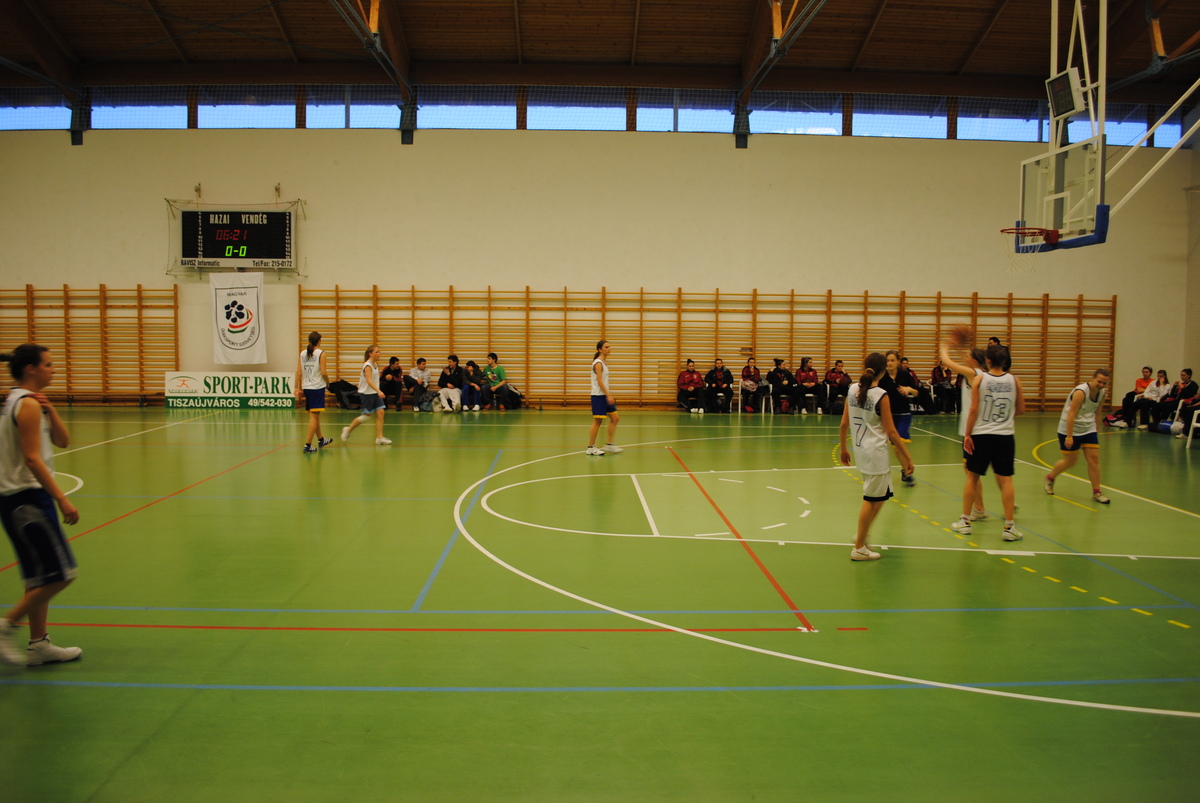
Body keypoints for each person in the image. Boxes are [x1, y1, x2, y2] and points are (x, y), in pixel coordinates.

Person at [0, 344, 82, 668]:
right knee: (61, 574)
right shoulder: (26, 405)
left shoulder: (26, 401)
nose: (54, 369)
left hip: (17, 500)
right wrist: (61, 497)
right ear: (31, 369)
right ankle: (6, 626)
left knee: (38, 576)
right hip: (27, 499)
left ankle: (39, 645)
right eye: (48, 364)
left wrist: (51, 409)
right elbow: (33, 459)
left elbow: (63, 441)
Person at [838, 352, 915, 561]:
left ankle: (862, 535)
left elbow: (844, 424)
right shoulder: (881, 395)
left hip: (861, 451)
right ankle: (859, 547)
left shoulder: (852, 388)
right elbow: (891, 432)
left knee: (881, 496)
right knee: (870, 500)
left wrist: (844, 449)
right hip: (875, 454)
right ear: (883, 372)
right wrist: (908, 458)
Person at [949, 344, 1025, 541]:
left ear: (988, 361)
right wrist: (1005, 420)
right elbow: (1021, 409)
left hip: (981, 434)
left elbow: (973, 410)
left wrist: (967, 435)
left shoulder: (980, 380)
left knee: (972, 477)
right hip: (1005, 435)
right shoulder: (1014, 380)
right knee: (1006, 480)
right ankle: (1009, 527)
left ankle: (965, 522)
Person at [938, 340, 990, 522]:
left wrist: (945, 346)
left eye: (968, 356)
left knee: (971, 472)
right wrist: (960, 346)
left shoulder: (973, 373)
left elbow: (948, 362)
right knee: (974, 472)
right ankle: (983, 506)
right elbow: (966, 359)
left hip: (973, 431)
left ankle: (979, 508)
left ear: (974, 361)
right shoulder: (984, 374)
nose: (965, 358)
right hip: (982, 429)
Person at [1044, 368, 1111, 504]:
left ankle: (1096, 492)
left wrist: (1096, 431)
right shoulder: (1081, 392)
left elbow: (1098, 412)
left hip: (1088, 428)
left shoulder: (1102, 393)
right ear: (1093, 378)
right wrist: (1069, 436)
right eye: (1099, 382)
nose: (1101, 385)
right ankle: (1050, 477)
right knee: (1070, 461)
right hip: (1070, 428)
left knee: (1094, 459)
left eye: (1104, 383)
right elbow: (1071, 414)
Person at [877, 350, 918, 485]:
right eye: (888, 360)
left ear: (898, 362)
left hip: (904, 415)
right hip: (888, 415)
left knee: (899, 442)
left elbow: (917, 392)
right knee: (894, 446)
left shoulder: (905, 375)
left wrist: (909, 389)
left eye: (893, 360)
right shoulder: (882, 377)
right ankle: (904, 469)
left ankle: (906, 471)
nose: (890, 363)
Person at [341, 345, 391, 445]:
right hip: (367, 394)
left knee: (381, 413)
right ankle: (348, 429)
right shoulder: (367, 365)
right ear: (370, 353)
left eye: (379, 352)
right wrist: (379, 391)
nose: (379, 354)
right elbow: (369, 380)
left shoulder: (375, 364)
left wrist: (377, 391)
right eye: (376, 352)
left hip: (374, 393)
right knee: (367, 416)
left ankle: (379, 437)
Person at [294, 331, 334, 453]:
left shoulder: (302, 353)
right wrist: (328, 382)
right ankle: (308, 445)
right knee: (314, 416)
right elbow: (323, 372)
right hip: (317, 387)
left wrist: (296, 387)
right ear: (319, 341)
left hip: (307, 387)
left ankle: (321, 439)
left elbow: (298, 372)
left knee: (315, 415)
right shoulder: (321, 353)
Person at [586, 340, 621, 456]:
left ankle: (609, 444)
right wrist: (608, 395)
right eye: (606, 347)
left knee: (615, 418)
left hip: (604, 395)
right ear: (600, 349)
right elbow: (600, 381)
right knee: (597, 422)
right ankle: (591, 447)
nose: (609, 349)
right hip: (599, 396)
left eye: (609, 346)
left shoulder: (604, 362)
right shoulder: (598, 363)